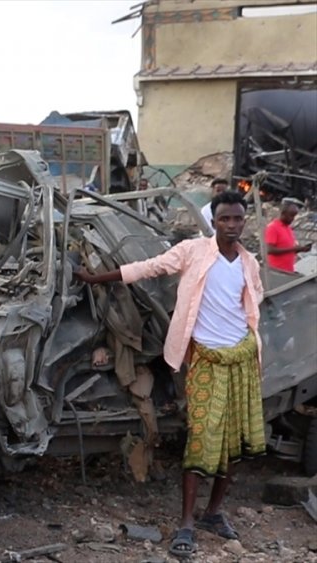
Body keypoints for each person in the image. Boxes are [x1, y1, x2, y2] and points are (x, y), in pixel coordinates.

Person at [75, 190, 265, 558]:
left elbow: (253, 306)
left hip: (241, 360)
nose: (231, 225)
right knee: (200, 439)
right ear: (214, 221)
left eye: (237, 219)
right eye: (225, 218)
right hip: (206, 362)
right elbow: (150, 266)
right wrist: (97, 279)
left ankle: (213, 514)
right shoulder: (193, 251)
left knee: (233, 444)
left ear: (245, 221)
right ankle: (187, 523)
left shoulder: (249, 263)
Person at [264, 197, 311, 273]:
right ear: (283, 213)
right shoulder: (273, 227)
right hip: (276, 272)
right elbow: (270, 250)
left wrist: (300, 249)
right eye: (291, 215)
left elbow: (287, 249)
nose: (293, 219)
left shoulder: (288, 228)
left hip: (288, 271)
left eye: (294, 216)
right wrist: (294, 249)